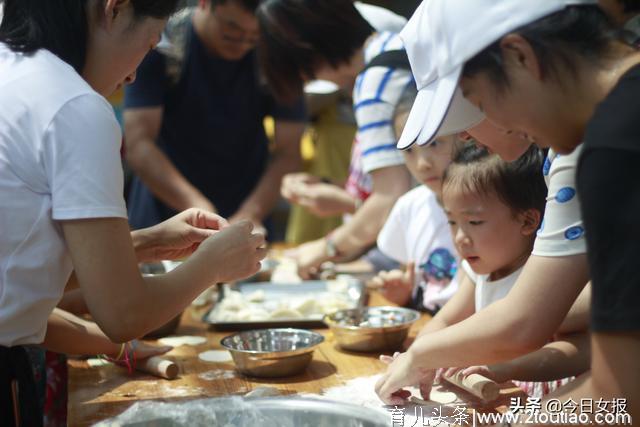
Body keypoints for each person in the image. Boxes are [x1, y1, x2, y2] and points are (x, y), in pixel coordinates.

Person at [0, 1, 265, 425]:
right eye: (149, 43)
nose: (132, 75)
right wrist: (210, 265)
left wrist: (145, 243)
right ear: (115, 9)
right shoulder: (73, 106)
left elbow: (16, 275)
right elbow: (124, 314)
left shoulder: (12, 72)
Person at [376, 0, 640, 419]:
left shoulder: (613, 145)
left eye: (475, 99)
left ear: (519, 57)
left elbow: (621, 395)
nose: (471, 134)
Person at [258, 0, 417, 277]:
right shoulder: (397, 48)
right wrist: (333, 191)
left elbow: (392, 196)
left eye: (305, 73)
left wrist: (324, 249)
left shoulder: (376, 84)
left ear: (309, 53)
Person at [124, 0, 307, 232]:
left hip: (248, 209)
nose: (242, 43)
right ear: (204, 3)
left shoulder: (276, 51)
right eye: (232, 31)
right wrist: (198, 208)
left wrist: (251, 214)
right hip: (164, 215)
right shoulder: (160, 42)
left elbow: (288, 152)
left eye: (253, 36)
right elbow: (139, 142)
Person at [368, 85, 459, 312]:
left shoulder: (493, 206)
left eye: (435, 143)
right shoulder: (410, 206)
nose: (422, 164)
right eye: (409, 150)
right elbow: (414, 283)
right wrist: (402, 293)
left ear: (465, 135)